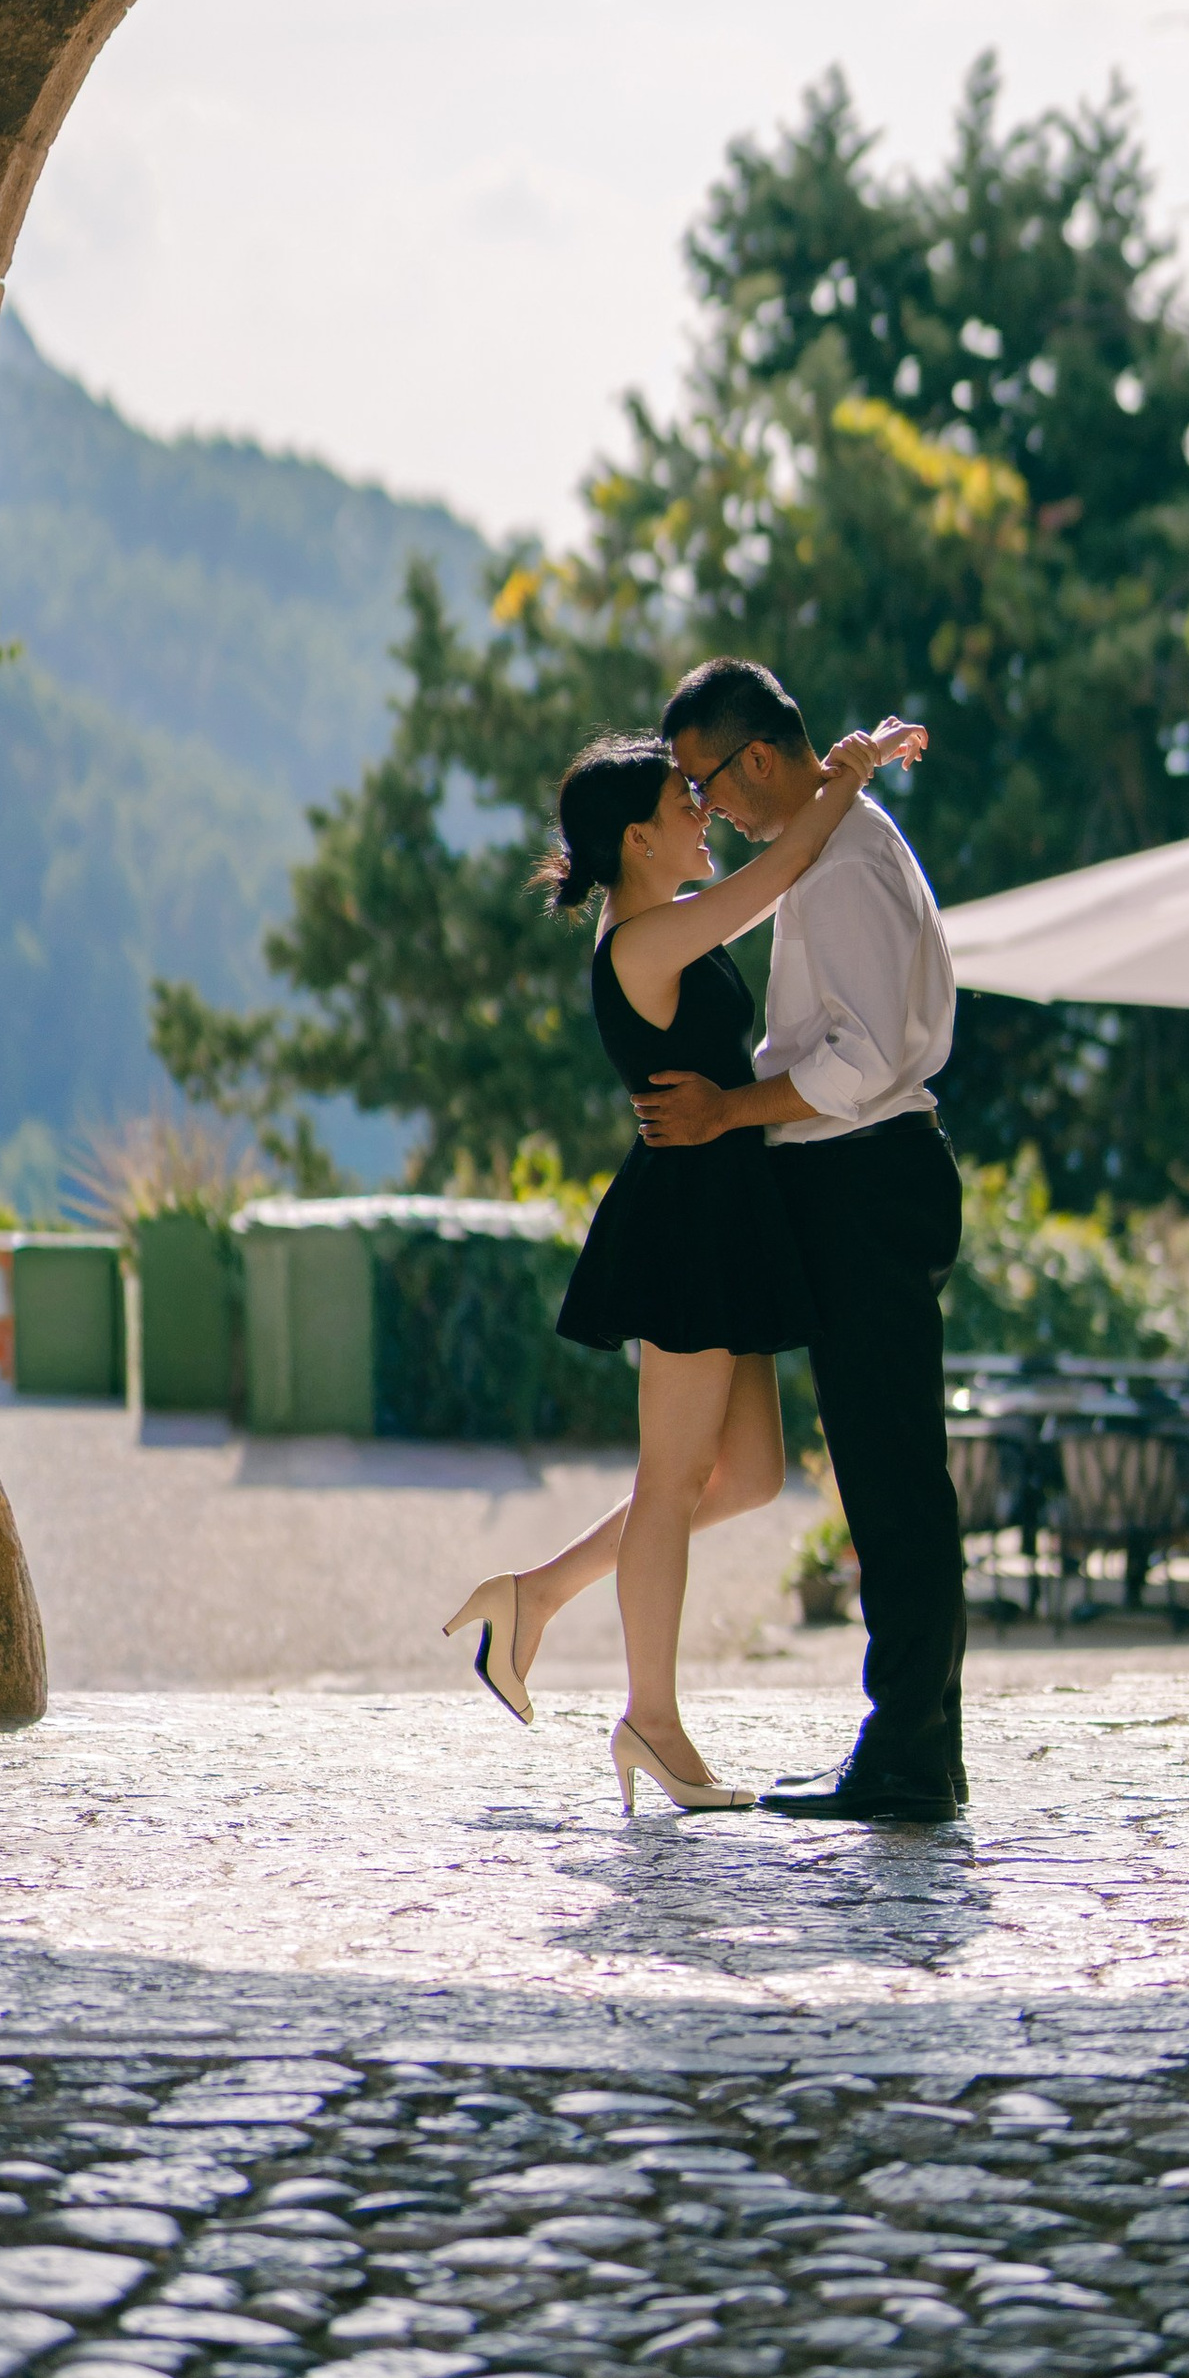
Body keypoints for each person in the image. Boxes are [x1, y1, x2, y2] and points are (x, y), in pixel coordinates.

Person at [442, 712, 926, 1814]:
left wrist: (838, 774)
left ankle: (535, 1595)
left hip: (724, 1211)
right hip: (686, 1222)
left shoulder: (664, 927)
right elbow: (784, 868)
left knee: (746, 1475)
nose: (702, 814)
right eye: (682, 804)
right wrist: (848, 771)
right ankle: (649, 1722)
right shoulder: (640, 942)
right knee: (670, 1481)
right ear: (636, 840)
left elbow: (772, 871)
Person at [641, 656, 964, 1825]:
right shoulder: (836, 838)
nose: (704, 805)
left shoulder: (838, 873)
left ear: (759, 757)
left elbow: (859, 1061)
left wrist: (727, 1110)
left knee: (890, 1480)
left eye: (706, 780)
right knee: (888, 1473)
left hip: (861, 1179)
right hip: (865, 1179)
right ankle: (919, 1745)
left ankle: (908, 1754)